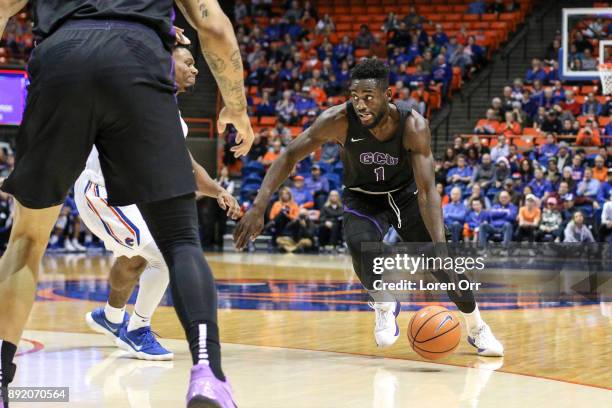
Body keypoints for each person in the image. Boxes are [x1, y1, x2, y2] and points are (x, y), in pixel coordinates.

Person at [0, 1, 254, 407]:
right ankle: (208, 374)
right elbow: (216, 29)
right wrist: (237, 109)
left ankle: (1, 377)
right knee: (180, 242)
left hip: (61, 61)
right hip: (135, 57)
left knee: (26, 241)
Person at [234, 58, 503, 356]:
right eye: (355, 97)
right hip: (362, 196)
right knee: (359, 247)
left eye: (368, 97)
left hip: (405, 196)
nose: (360, 104)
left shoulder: (413, 125)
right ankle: (384, 301)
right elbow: (288, 156)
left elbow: (427, 191)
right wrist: (258, 207)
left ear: (387, 96)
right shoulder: (336, 120)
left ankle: (477, 328)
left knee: (443, 266)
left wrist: (439, 245)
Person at [76, 45, 240, 361]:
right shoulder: (138, 92)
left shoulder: (172, 115)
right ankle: (137, 329)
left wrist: (218, 191)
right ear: (165, 63)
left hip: (130, 197)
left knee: (135, 259)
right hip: (101, 192)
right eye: (189, 63)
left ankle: (110, 318)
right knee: (165, 256)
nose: (195, 70)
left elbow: (189, 166)